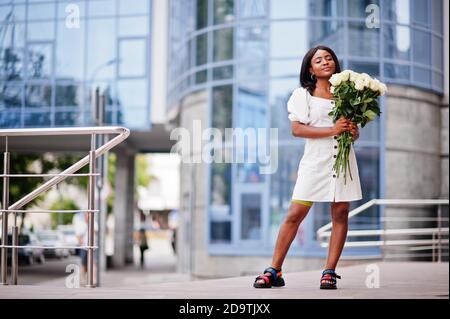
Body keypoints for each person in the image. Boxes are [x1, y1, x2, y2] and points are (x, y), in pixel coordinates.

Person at [253, 45, 361, 290]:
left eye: (329, 58)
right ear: (310, 69)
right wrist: (333, 129)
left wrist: (352, 132)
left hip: (343, 161)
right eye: (319, 60)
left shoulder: (347, 95)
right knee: (294, 214)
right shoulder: (302, 95)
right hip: (314, 163)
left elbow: (352, 133)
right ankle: (274, 270)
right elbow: (297, 129)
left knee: (341, 213)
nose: (325, 62)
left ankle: (329, 271)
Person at [73, 212, 98, 286]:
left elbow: (96, 231)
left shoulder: (94, 223)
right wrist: (81, 243)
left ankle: (93, 279)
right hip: (84, 247)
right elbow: (78, 235)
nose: (88, 216)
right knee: (84, 264)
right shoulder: (81, 224)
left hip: (93, 247)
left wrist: (90, 225)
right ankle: (83, 279)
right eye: (87, 215)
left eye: (89, 215)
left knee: (94, 263)